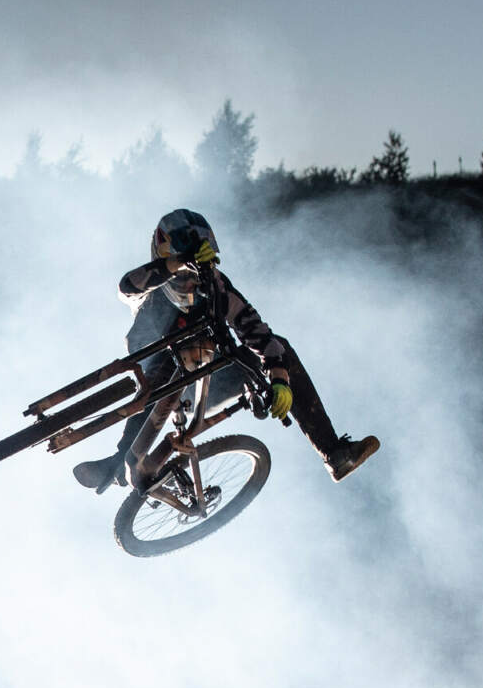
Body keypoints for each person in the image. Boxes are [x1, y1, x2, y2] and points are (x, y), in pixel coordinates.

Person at [74, 208, 380, 492]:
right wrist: (177, 264)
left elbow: (257, 332)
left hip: (207, 381)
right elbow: (128, 284)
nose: (188, 285)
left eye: (194, 275)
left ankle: (333, 453)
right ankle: (121, 458)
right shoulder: (148, 292)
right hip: (154, 383)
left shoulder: (216, 286)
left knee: (279, 349)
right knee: (164, 363)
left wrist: (278, 377)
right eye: (182, 274)